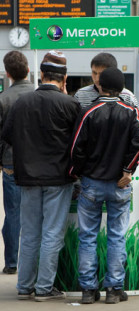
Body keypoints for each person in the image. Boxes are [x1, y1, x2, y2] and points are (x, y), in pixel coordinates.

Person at [2, 50, 80, 301]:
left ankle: (24, 287)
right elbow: (80, 142)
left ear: (41, 76)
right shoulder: (70, 104)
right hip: (58, 178)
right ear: (64, 79)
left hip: (27, 178)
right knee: (52, 233)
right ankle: (44, 289)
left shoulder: (23, 102)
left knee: (30, 232)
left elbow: (8, 136)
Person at [70, 68, 139, 304]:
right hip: (120, 185)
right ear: (122, 88)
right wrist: (128, 169)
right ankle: (114, 290)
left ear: (100, 86)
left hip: (91, 185)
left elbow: (76, 148)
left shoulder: (88, 112)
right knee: (117, 237)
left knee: (87, 237)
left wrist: (78, 173)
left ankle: (88, 290)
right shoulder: (131, 112)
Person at [0, 51, 35, 275]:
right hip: (38, 164)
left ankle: (12, 263)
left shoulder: (3, 99)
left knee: (13, 214)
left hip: (11, 163)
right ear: (28, 70)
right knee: (36, 213)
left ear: (8, 73)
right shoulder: (38, 95)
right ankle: (33, 263)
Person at [74, 52, 139, 108]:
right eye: (94, 73)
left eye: (101, 74)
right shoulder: (80, 95)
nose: (97, 78)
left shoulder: (128, 97)